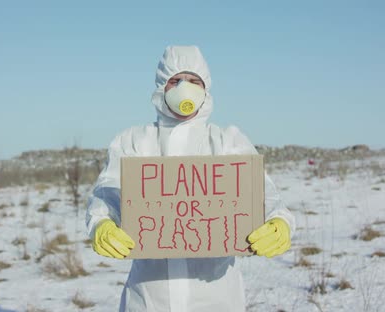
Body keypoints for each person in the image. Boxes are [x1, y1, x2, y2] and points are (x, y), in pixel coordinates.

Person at [86, 45, 295, 312]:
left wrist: (279, 222)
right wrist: (101, 224)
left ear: (206, 87)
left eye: (194, 81)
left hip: (217, 296)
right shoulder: (133, 141)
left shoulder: (228, 141)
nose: (185, 87)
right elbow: (107, 193)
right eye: (176, 80)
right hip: (150, 296)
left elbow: (265, 195)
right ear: (162, 85)